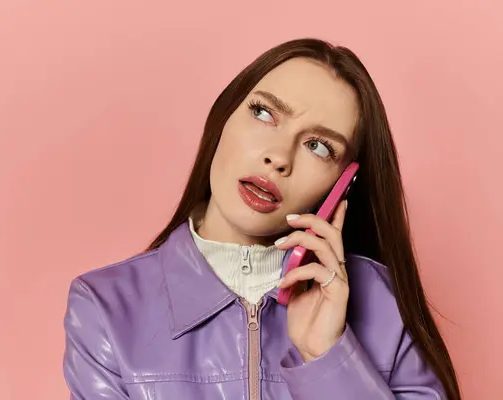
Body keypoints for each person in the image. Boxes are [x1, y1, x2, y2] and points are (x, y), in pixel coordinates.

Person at [62, 38, 461, 399]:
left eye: (319, 147)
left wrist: (327, 356)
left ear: (342, 185)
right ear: (223, 117)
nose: (279, 156)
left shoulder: (386, 303)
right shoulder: (106, 307)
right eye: (264, 113)